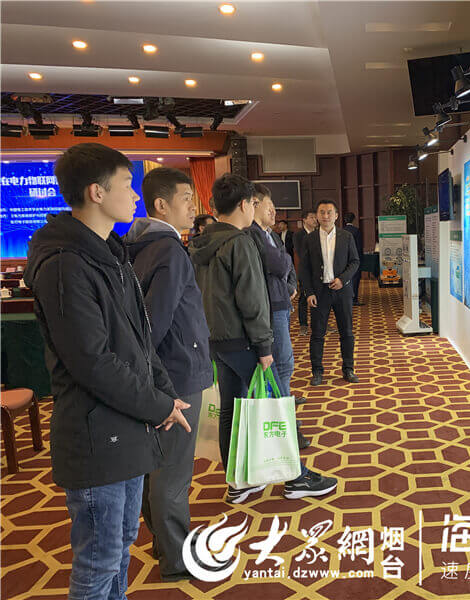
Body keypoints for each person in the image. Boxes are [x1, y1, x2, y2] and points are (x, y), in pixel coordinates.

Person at [24, 143, 191, 598]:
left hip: (127, 425)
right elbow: (92, 362)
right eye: (127, 186)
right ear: (96, 192)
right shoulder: (65, 263)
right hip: (96, 435)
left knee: (120, 546)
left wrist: (164, 394)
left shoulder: (109, 252)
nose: (136, 196)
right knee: (99, 561)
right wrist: (157, 404)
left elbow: (139, 338)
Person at [189, 174, 336, 501]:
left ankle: (238, 481)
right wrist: (264, 346)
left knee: (231, 409)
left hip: (217, 340)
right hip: (244, 341)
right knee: (276, 407)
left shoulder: (200, 242)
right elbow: (252, 300)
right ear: (245, 204)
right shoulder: (239, 242)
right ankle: (295, 477)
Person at [124, 167, 213, 581]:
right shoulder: (170, 250)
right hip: (175, 373)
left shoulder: (138, 245)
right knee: (173, 472)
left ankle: (165, 543)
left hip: (159, 373)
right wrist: (162, 383)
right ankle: (178, 558)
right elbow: (155, 324)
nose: (193, 206)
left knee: (155, 467)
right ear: (161, 204)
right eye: (186, 199)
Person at [244, 185, 309, 443]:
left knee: (284, 364)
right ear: (254, 204)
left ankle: (284, 413)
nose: (274, 211)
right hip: (270, 307)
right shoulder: (252, 234)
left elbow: (287, 264)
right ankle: (284, 422)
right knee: (279, 364)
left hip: (281, 302)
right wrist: (284, 270)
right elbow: (281, 263)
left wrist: (290, 286)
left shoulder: (268, 234)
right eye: (269, 206)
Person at [299, 200, 360, 386]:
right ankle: (317, 371)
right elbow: (304, 268)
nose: (325, 216)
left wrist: (343, 279)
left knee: (346, 332)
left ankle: (348, 369)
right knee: (317, 334)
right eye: (322, 212)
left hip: (342, 291)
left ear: (336, 216)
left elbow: (355, 262)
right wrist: (309, 292)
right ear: (317, 216)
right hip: (319, 293)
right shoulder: (309, 239)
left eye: (329, 212)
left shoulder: (346, 237)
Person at [292, 210, 317, 336]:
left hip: (318, 272)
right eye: (311, 217)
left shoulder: (319, 233)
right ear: (304, 220)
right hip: (305, 270)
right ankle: (303, 324)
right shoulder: (298, 235)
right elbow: (300, 252)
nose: (315, 220)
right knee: (304, 297)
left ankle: (318, 323)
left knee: (320, 297)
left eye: (315, 217)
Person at [342, 212, 364, 306]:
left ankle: (345, 298)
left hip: (343, 259)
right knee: (355, 278)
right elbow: (359, 247)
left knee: (345, 278)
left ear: (345, 220)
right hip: (354, 259)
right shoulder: (356, 231)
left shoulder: (341, 231)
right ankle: (354, 299)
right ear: (354, 220)